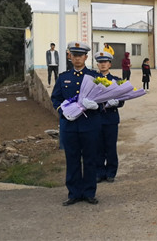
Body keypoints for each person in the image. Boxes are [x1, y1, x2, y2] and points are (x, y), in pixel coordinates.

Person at [51, 41, 102, 206]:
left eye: (81, 55)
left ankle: (89, 192)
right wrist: (62, 110)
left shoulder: (95, 77)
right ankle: (74, 193)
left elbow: (105, 97)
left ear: (86, 57)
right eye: (75, 55)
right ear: (70, 56)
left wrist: (97, 105)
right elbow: (55, 98)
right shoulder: (63, 78)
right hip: (70, 126)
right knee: (72, 159)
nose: (78, 58)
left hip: (90, 125)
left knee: (89, 159)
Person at [94, 51, 124, 183]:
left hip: (111, 118)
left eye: (105, 62)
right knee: (98, 147)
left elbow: (123, 99)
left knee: (111, 146)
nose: (103, 64)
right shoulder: (92, 80)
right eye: (100, 62)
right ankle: (99, 172)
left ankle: (111, 172)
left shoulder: (116, 80)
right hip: (96, 117)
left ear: (110, 64)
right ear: (97, 64)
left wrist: (116, 102)